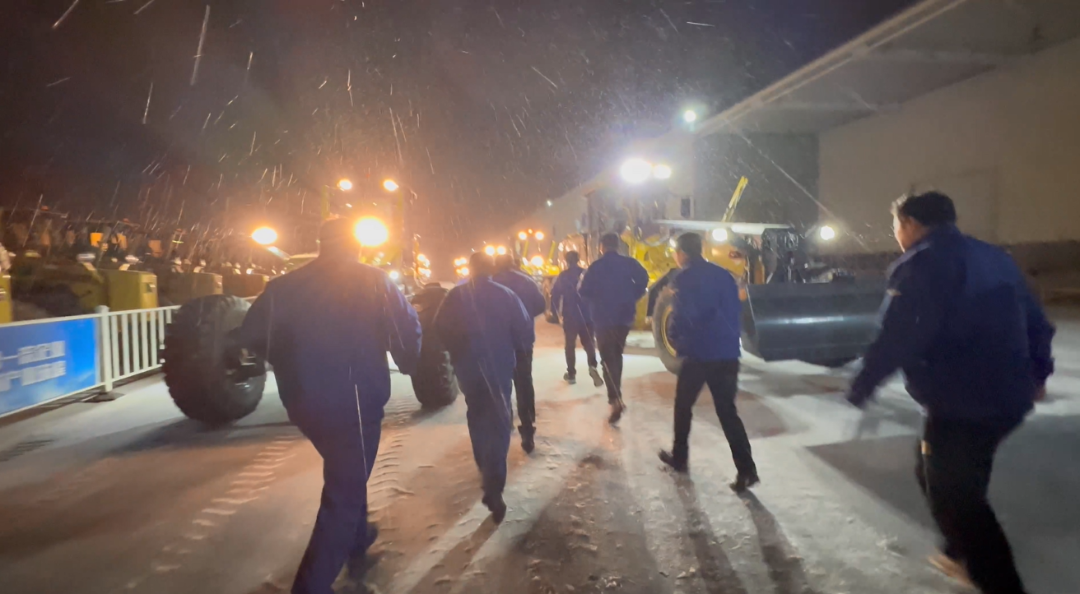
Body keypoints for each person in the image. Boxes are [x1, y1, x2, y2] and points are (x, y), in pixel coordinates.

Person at [847, 191, 1054, 594]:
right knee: (943, 471)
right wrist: (1039, 373)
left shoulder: (920, 264)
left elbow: (897, 337)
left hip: (963, 401)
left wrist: (862, 385)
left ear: (909, 224)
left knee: (956, 497)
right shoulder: (994, 258)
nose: (896, 234)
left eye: (896, 226)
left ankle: (995, 579)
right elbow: (1037, 322)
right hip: (1009, 395)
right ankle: (959, 550)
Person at [236, 218, 422, 594]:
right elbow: (406, 333)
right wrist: (408, 361)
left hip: (303, 403)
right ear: (357, 245)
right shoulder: (374, 281)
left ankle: (357, 543)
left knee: (348, 472)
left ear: (322, 244)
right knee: (345, 492)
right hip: (355, 403)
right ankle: (312, 586)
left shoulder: (283, 287)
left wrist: (291, 362)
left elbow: (252, 335)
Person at [435, 251, 534, 522]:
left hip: (469, 370)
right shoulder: (506, 295)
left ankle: (484, 465)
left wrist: (458, 351)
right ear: (491, 270)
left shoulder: (456, 296)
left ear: (470, 268)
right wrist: (518, 351)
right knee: (500, 422)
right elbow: (525, 329)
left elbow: (439, 327)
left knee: (477, 415)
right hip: (498, 368)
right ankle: (494, 484)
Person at [657, 233, 759, 490]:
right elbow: (736, 310)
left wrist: (675, 337)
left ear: (682, 253)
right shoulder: (723, 274)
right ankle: (747, 470)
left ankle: (680, 458)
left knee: (683, 406)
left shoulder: (683, 278)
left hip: (699, 354)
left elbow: (683, 315)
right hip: (727, 354)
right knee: (727, 412)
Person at [578, 232, 649, 423]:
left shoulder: (595, 267)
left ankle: (615, 399)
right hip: (624, 318)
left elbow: (583, 291)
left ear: (601, 247)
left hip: (602, 319)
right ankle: (616, 394)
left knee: (607, 359)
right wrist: (632, 296)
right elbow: (644, 280)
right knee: (616, 356)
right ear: (618, 245)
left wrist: (595, 301)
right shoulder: (630, 263)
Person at [493, 253, 547, 453]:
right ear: (513, 264)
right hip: (523, 340)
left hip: (497, 342)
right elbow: (541, 305)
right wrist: (524, 315)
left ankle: (504, 419)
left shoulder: (491, 283)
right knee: (524, 382)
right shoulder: (526, 281)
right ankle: (527, 429)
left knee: (500, 382)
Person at [550, 250, 603, 388]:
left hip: (570, 316)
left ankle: (571, 374)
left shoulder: (563, 276)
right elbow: (597, 293)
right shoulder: (587, 274)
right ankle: (592, 366)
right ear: (578, 260)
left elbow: (555, 295)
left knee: (570, 345)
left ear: (566, 261)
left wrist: (554, 314)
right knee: (589, 343)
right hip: (587, 315)